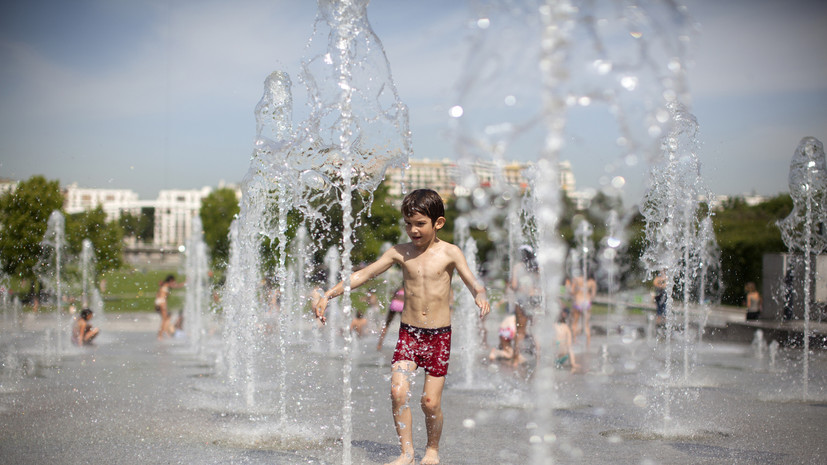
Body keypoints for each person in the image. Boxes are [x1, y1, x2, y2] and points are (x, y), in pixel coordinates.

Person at [313, 189, 490, 465]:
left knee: (429, 403)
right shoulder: (400, 252)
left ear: (438, 223)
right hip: (410, 333)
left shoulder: (450, 253)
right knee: (397, 392)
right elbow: (364, 273)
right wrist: (329, 294)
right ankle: (406, 453)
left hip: (439, 337)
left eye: (420, 224)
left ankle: (432, 449)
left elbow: (471, 280)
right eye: (408, 223)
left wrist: (480, 294)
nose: (413, 230)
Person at [509, 245, 540, 366]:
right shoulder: (536, 268)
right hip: (535, 299)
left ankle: (516, 359)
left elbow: (514, 284)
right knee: (536, 330)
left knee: (520, 331)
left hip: (522, 299)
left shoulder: (518, 267)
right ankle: (539, 359)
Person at [569, 272, 597, 346]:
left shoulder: (577, 280)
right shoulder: (592, 282)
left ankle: (574, 341)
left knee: (575, 322)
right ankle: (588, 343)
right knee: (586, 324)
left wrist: (575, 292)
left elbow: (572, 291)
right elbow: (593, 295)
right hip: (587, 303)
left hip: (578, 302)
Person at [376, 285, 405, 350]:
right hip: (401, 306)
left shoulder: (398, 289)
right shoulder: (407, 290)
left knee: (387, 324)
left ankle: (379, 344)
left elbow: (393, 297)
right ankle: (404, 345)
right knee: (405, 325)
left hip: (394, 305)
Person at [155, 274, 183, 340]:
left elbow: (157, 294)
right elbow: (177, 286)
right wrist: (185, 282)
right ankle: (160, 335)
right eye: (173, 280)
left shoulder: (164, 285)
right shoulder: (167, 285)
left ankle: (165, 333)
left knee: (167, 317)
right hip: (162, 302)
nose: (174, 282)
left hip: (159, 302)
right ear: (171, 280)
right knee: (165, 320)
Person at [553, 308, 579, 372]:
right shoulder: (567, 328)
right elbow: (569, 347)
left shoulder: (552, 326)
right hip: (562, 358)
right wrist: (573, 363)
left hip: (551, 358)